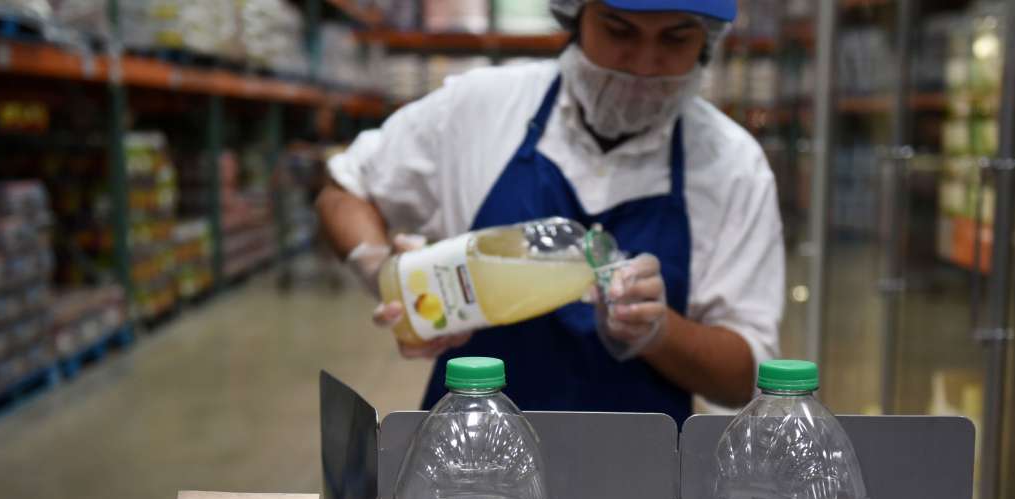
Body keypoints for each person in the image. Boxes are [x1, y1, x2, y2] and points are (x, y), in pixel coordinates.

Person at [319, 0, 784, 420]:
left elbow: (745, 378)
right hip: (466, 458)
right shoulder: (481, 108)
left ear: (707, 42)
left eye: (675, 39)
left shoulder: (733, 167)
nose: (643, 64)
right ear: (576, 15)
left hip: (640, 469)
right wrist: (383, 271)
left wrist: (660, 333)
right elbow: (343, 191)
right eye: (619, 30)